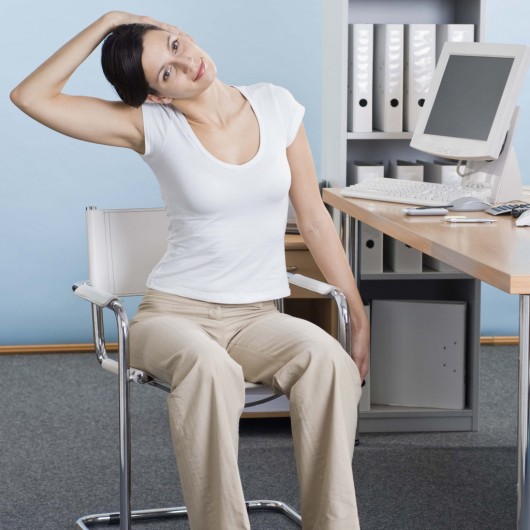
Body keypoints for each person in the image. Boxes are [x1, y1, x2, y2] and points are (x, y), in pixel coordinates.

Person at [10, 11, 370, 530]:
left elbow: (313, 219)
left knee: (327, 361)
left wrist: (356, 315)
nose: (187, 64)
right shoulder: (151, 125)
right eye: (166, 73)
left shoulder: (277, 105)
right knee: (210, 368)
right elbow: (30, 97)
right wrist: (109, 20)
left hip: (256, 318)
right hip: (172, 316)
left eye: (176, 45)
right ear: (157, 95)